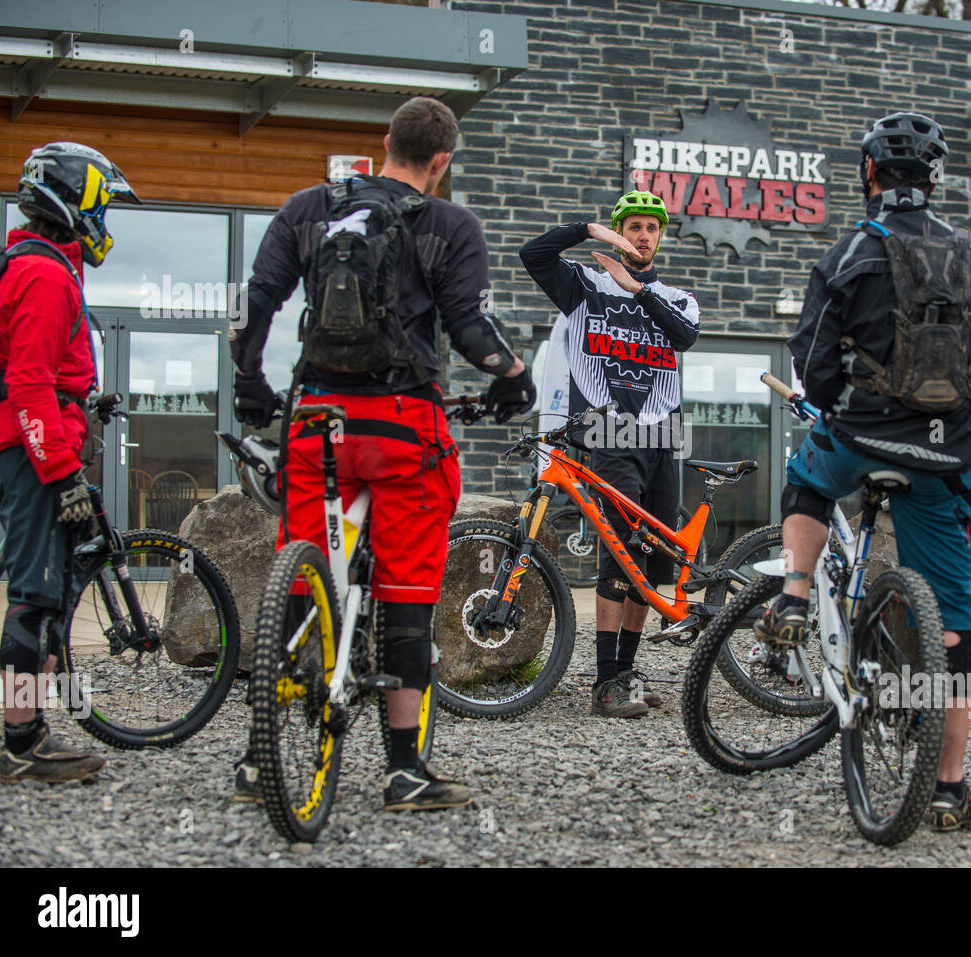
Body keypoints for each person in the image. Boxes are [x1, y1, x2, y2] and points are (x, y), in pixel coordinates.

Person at [230, 96, 536, 811]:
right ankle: (404, 768)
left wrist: (250, 382)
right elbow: (467, 325)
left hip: (315, 423)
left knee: (300, 573)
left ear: (385, 143)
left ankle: (257, 756)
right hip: (402, 428)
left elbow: (256, 301)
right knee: (406, 587)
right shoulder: (449, 224)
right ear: (441, 162)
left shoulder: (309, 207)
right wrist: (512, 377)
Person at [755, 112, 971, 829]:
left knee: (807, 473)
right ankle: (950, 786)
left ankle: (795, 592)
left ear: (870, 175)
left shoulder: (852, 252)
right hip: (946, 450)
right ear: (934, 179)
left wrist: (834, 407)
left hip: (864, 436)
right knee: (957, 627)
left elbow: (815, 358)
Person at [0, 142, 141, 782]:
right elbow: (27, 384)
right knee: (31, 597)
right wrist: (61, 473)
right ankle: (22, 742)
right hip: (28, 456)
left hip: (29, 448)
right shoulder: (46, 276)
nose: (105, 219)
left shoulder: (42, 265)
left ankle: (32, 726)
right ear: (73, 203)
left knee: (43, 593)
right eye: (101, 205)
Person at [521, 191, 699, 718]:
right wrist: (589, 230)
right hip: (608, 429)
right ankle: (605, 681)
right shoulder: (583, 286)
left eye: (652, 228)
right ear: (622, 231)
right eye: (634, 227)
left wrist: (638, 292)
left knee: (649, 559)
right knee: (619, 551)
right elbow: (533, 255)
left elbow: (684, 336)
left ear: (661, 237)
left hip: (662, 434)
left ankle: (627, 670)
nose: (643, 235)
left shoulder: (676, 297)